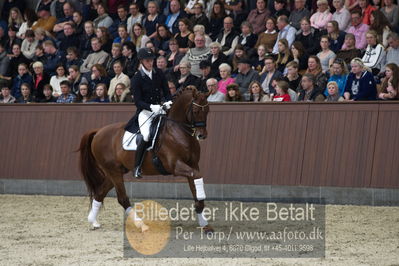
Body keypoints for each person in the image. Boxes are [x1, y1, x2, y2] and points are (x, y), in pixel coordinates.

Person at [125, 48, 172, 179]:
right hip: (145, 112)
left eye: (152, 60)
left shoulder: (159, 74)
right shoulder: (137, 78)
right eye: (147, 60)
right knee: (146, 136)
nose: (150, 63)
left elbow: (167, 92)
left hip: (160, 109)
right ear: (141, 61)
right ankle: (137, 167)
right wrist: (151, 107)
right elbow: (138, 102)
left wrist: (169, 101)